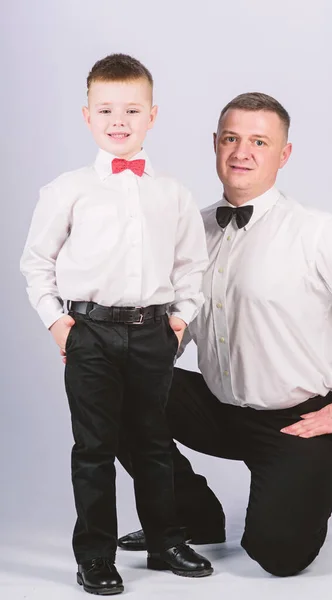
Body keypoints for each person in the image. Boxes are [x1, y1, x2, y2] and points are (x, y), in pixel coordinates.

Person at [117, 91, 332, 577]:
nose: (242, 152)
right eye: (232, 138)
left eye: (259, 142)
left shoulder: (318, 233)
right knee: (114, 386)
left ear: (283, 155)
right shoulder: (193, 231)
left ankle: (282, 500)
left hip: (298, 421)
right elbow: (181, 321)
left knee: (279, 556)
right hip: (220, 407)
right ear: (216, 146)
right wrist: (115, 350)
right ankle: (192, 515)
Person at [20, 54, 214, 595]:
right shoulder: (67, 189)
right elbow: (37, 262)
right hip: (90, 333)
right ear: (87, 116)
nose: (119, 120)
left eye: (132, 109)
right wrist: (58, 324)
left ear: (153, 115)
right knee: (95, 447)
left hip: (154, 332)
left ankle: (166, 542)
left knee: (153, 441)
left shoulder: (172, 193)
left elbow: (190, 266)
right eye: (106, 109)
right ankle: (96, 556)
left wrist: (179, 321)